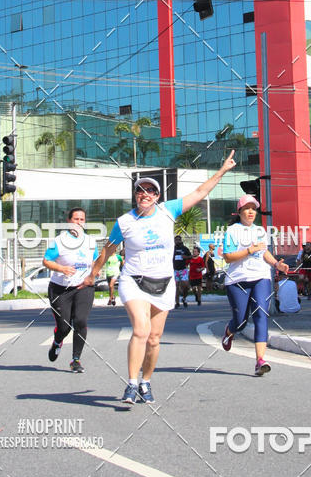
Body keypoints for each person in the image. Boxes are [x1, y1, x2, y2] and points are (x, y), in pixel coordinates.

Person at [84, 151, 237, 404]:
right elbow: (108, 250)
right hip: (134, 280)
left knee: (154, 339)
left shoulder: (169, 210)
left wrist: (221, 171)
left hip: (164, 283)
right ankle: (131, 384)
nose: (145, 194)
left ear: (157, 197)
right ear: (136, 196)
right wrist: (92, 274)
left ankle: (146, 382)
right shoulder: (124, 222)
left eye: (150, 191)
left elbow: (200, 193)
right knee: (141, 331)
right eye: (140, 191)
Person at [221, 194, 289, 377]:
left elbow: (264, 252)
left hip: (260, 277)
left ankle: (260, 361)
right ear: (240, 211)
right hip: (238, 280)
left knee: (261, 314)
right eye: (247, 208)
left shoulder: (260, 231)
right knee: (241, 321)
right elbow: (228, 256)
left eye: (254, 208)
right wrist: (249, 250)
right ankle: (230, 330)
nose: (251, 212)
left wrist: (277, 265)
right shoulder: (232, 231)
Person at [43, 207, 99, 372]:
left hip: (84, 287)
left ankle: (76, 360)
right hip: (60, 289)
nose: (79, 223)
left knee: (81, 321)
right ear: (68, 221)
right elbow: (46, 261)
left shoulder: (90, 241)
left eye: (82, 219)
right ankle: (57, 341)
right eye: (76, 219)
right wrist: (62, 269)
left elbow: (95, 260)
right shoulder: (59, 241)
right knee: (64, 326)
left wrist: (95, 272)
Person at [173, 234, 191, 308]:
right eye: (176, 240)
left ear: (181, 240)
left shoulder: (184, 248)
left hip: (183, 269)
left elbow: (190, 256)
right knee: (176, 286)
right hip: (175, 270)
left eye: (178, 240)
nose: (177, 241)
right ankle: (177, 302)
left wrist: (185, 257)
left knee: (186, 286)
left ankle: (184, 298)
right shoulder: (172, 248)